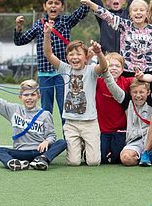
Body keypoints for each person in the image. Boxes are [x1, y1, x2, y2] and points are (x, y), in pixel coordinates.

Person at [14, 0, 89, 119]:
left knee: (65, 108)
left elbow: (83, 11)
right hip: (44, 74)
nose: (53, 6)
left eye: (57, 3)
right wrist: (18, 28)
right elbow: (20, 40)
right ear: (45, 6)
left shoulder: (66, 21)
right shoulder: (39, 24)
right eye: (50, 3)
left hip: (63, 73)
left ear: (62, 7)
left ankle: (69, 138)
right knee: (45, 110)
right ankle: (45, 137)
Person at [0, 79, 66, 171]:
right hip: (20, 152)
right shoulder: (13, 110)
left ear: (38, 96)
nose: (29, 98)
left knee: (62, 142)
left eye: (33, 95)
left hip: (40, 151)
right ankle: (15, 163)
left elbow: (51, 135)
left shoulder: (45, 114)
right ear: (20, 97)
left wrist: (47, 141)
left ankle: (42, 160)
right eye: (26, 95)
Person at [43, 23, 108, 166]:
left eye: (78, 54)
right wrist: (47, 34)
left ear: (86, 57)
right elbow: (48, 54)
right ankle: (79, 147)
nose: (75, 57)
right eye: (71, 54)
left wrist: (99, 53)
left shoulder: (91, 70)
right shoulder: (65, 69)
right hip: (71, 123)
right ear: (67, 58)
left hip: (89, 122)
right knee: (73, 162)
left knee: (94, 162)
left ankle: (86, 149)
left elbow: (103, 66)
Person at [95, 52, 152, 164]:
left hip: (121, 129)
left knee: (116, 158)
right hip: (103, 129)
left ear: (122, 70)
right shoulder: (98, 82)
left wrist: (143, 76)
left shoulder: (126, 82)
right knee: (102, 158)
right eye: (110, 65)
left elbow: (151, 78)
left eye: (117, 66)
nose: (113, 68)